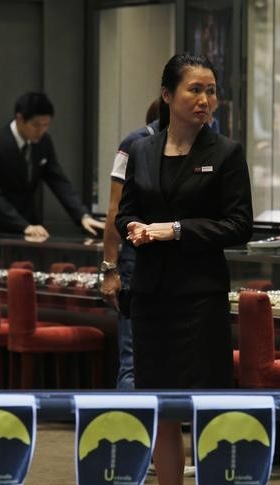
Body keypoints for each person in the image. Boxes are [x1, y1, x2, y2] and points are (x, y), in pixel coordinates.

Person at [116, 53, 252, 485]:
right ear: (168, 95)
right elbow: (125, 213)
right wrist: (130, 229)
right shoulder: (142, 149)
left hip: (200, 298)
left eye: (211, 90)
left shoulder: (226, 151)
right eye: (195, 89)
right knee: (163, 411)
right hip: (151, 297)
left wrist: (175, 229)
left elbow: (239, 225)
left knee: (207, 411)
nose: (205, 100)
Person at [0, 92, 104, 238]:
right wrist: (23, 226)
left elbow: (58, 181)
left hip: (32, 226)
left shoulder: (44, 142)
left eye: (46, 125)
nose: (42, 131)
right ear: (19, 119)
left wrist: (83, 216)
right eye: (36, 125)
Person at [100, 98, 162, 391]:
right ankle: (131, 429)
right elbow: (114, 210)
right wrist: (109, 267)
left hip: (173, 261)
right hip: (136, 260)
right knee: (133, 357)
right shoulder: (134, 143)